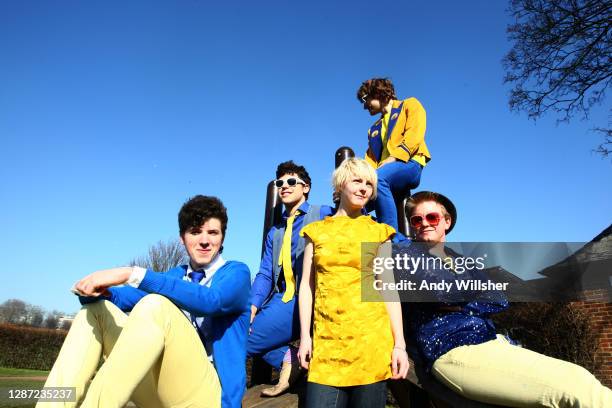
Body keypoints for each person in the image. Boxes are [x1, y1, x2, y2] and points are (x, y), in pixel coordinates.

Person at [397, 191, 612, 408]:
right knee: (574, 390)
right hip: (452, 349)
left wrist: (460, 302)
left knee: (579, 376)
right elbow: (441, 293)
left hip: (492, 341)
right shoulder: (407, 256)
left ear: (446, 221)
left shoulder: (461, 260)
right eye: (417, 219)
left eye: (431, 217)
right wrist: (470, 296)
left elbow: (498, 298)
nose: (424, 223)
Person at [39, 195, 251, 408]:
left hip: (210, 398)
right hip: (164, 391)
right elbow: (120, 299)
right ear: (182, 237)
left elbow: (211, 301)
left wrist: (131, 273)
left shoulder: (236, 273)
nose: (204, 241)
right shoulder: (175, 276)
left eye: (213, 232)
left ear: (223, 237)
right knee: (95, 311)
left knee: (156, 305)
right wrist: (94, 289)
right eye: (195, 232)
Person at [297, 157, 409, 408]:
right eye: (357, 181)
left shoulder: (379, 233)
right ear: (339, 185)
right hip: (327, 347)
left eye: (369, 184)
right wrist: (305, 337)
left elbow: (387, 288)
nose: (363, 188)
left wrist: (399, 345)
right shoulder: (316, 232)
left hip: (371, 344)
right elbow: (307, 286)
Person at [248, 160, 333, 397]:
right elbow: (265, 272)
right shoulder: (275, 232)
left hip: (308, 295)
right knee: (243, 326)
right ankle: (292, 358)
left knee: (242, 341)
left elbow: (355, 221)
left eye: (291, 181)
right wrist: (253, 305)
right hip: (281, 297)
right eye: (280, 183)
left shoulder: (324, 213)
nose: (284, 186)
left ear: (305, 187)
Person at [356, 77, 430, 240]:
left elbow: (414, 134)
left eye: (364, 98)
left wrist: (395, 157)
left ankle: (390, 236)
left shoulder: (409, 104)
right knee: (355, 199)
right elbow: (369, 159)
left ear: (377, 92)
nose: (364, 105)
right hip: (382, 172)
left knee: (378, 178)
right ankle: (367, 234)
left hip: (410, 163)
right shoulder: (373, 129)